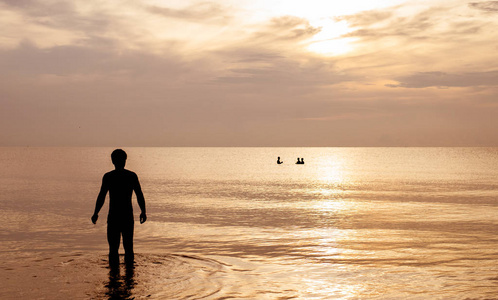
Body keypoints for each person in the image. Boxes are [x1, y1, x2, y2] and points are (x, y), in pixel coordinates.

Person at [92, 149, 147, 267]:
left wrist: (96, 213)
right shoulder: (131, 176)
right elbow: (139, 195)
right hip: (127, 216)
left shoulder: (109, 177)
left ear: (112, 161)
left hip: (114, 217)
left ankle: (113, 278)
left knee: (113, 249)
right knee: (128, 247)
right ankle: (130, 278)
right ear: (125, 161)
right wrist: (143, 211)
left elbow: (101, 196)